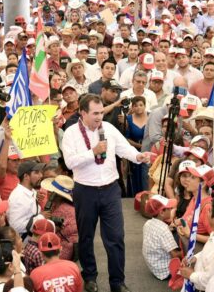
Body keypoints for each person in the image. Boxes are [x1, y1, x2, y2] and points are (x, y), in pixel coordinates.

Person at [61, 94, 152, 292]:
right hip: (85, 190)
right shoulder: (70, 133)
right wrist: (92, 152)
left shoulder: (109, 129)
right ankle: (90, 277)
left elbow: (124, 149)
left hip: (110, 189)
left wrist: (139, 156)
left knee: (116, 237)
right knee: (85, 236)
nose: (99, 117)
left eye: (102, 112)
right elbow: (69, 162)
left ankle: (117, 282)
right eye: (95, 113)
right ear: (83, 113)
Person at [142, 195, 181, 280]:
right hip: (165, 271)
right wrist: (186, 251)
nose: (172, 210)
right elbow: (175, 255)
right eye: (169, 208)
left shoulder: (147, 223)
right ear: (162, 212)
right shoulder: (164, 230)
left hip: (153, 265)